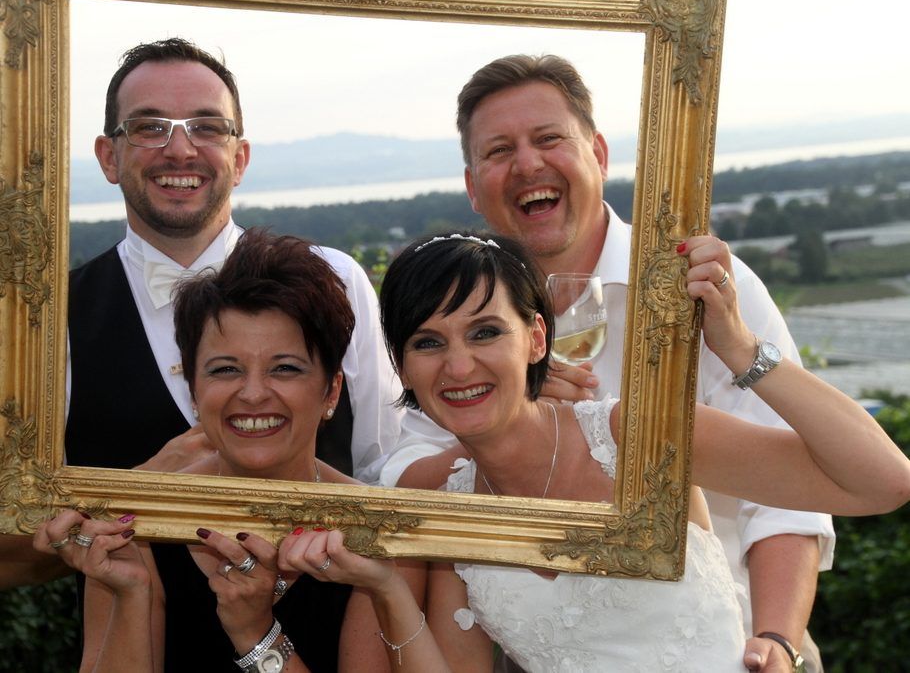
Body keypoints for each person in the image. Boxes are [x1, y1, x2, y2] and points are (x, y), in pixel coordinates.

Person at [381, 54, 835, 671]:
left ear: (597, 153)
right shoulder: (454, 326)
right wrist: (513, 425)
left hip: (739, 638)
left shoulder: (700, 286)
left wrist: (778, 639)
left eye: (548, 139)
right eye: (498, 151)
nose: (527, 165)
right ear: (471, 184)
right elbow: (404, 472)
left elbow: (787, 492)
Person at [283, 230, 910, 672]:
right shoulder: (445, 502)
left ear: (534, 339)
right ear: (402, 367)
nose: (458, 365)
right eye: (427, 343)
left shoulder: (637, 437)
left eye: (485, 331)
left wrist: (743, 349)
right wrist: (389, 591)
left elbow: (882, 481)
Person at [1, 37, 403, 589]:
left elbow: (385, 481)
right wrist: (134, 494)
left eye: (206, 127)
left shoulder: (338, 280)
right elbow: (11, 547)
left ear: (239, 158)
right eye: (149, 127)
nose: (180, 150)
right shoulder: (41, 321)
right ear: (108, 157)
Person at [33, 229, 414, 672]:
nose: (252, 394)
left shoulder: (378, 533)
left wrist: (256, 633)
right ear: (194, 391)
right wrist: (133, 595)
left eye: (285, 368)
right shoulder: (137, 523)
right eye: (226, 369)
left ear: (331, 391)